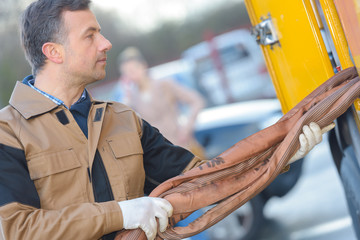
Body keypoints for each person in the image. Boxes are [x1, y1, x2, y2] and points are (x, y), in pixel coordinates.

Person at [0, 0, 330, 240]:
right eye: (90, 36)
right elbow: (16, 229)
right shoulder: (7, 132)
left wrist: (282, 153)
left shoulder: (124, 118)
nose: (106, 43)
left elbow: (201, 181)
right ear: (53, 53)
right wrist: (122, 213)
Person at [116, 47, 206, 157]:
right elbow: (123, 122)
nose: (131, 75)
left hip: (182, 146)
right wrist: (127, 94)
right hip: (159, 154)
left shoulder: (164, 85)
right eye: (127, 73)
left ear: (143, 65)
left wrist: (187, 128)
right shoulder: (132, 97)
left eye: (133, 70)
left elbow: (197, 101)